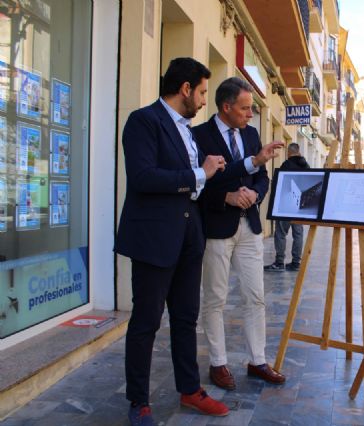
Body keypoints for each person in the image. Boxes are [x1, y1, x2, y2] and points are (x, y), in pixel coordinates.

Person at [115, 58, 230, 425]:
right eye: (200, 92)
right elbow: (144, 177)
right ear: (184, 89)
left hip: (188, 236)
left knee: (185, 318)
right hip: (154, 238)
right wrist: (199, 173)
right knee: (146, 322)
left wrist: (208, 172)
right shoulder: (143, 121)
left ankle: (190, 389)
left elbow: (191, 181)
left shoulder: (189, 131)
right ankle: (139, 402)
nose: (202, 101)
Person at [191, 77, 286, 392]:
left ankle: (257, 360)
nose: (250, 115)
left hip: (250, 227)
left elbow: (262, 175)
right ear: (226, 107)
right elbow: (195, 185)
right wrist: (225, 197)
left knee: (255, 297)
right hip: (217, 227)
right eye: (245, 108)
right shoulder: (198, 136)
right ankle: (218, 363)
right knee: (215, 298)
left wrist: (255, 194)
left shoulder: (252, 134)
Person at [264, 142, 310, 272]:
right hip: (300, 206)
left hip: (285, 205)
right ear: (299, 151)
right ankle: (296, 262)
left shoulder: (286, 165)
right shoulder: (306, 166)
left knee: (280, 233)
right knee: (298, 233)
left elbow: (279, 185)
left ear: (289, 152)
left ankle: (279, 262)